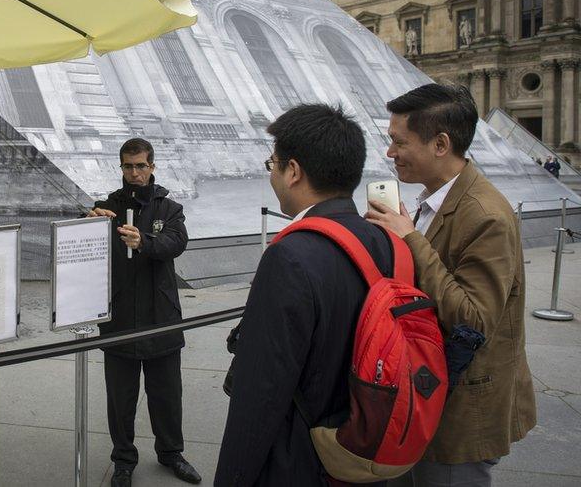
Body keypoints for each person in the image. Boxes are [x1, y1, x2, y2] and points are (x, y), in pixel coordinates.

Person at [366, 83, 536, 487]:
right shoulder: (434, 199)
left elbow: (474, 320)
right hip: (424, 395)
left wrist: (411, 240)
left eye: (398, 141)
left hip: (460, 413)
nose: (390, 153)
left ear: (440, 143)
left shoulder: (485, 215)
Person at [215, 104, 394, 486]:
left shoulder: (289, 256)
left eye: (272, 164)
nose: (272, 175)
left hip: (300, 459)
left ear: (293, 171)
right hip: (365, 446)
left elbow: (260, 394)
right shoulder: (385, 239)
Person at [87, 138, 200, 487]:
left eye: (140, 166)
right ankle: (123, 460)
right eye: (127, 166)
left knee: (166, 394)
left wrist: (144, 242)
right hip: (119, 317)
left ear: (152, 167)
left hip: (160, 317)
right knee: (120, 399)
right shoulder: (107, 206)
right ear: (120, 168)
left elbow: (177, 244)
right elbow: (85, 244)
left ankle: (171, 454)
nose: (134, 173)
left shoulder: (169, 208)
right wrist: (90, 219)